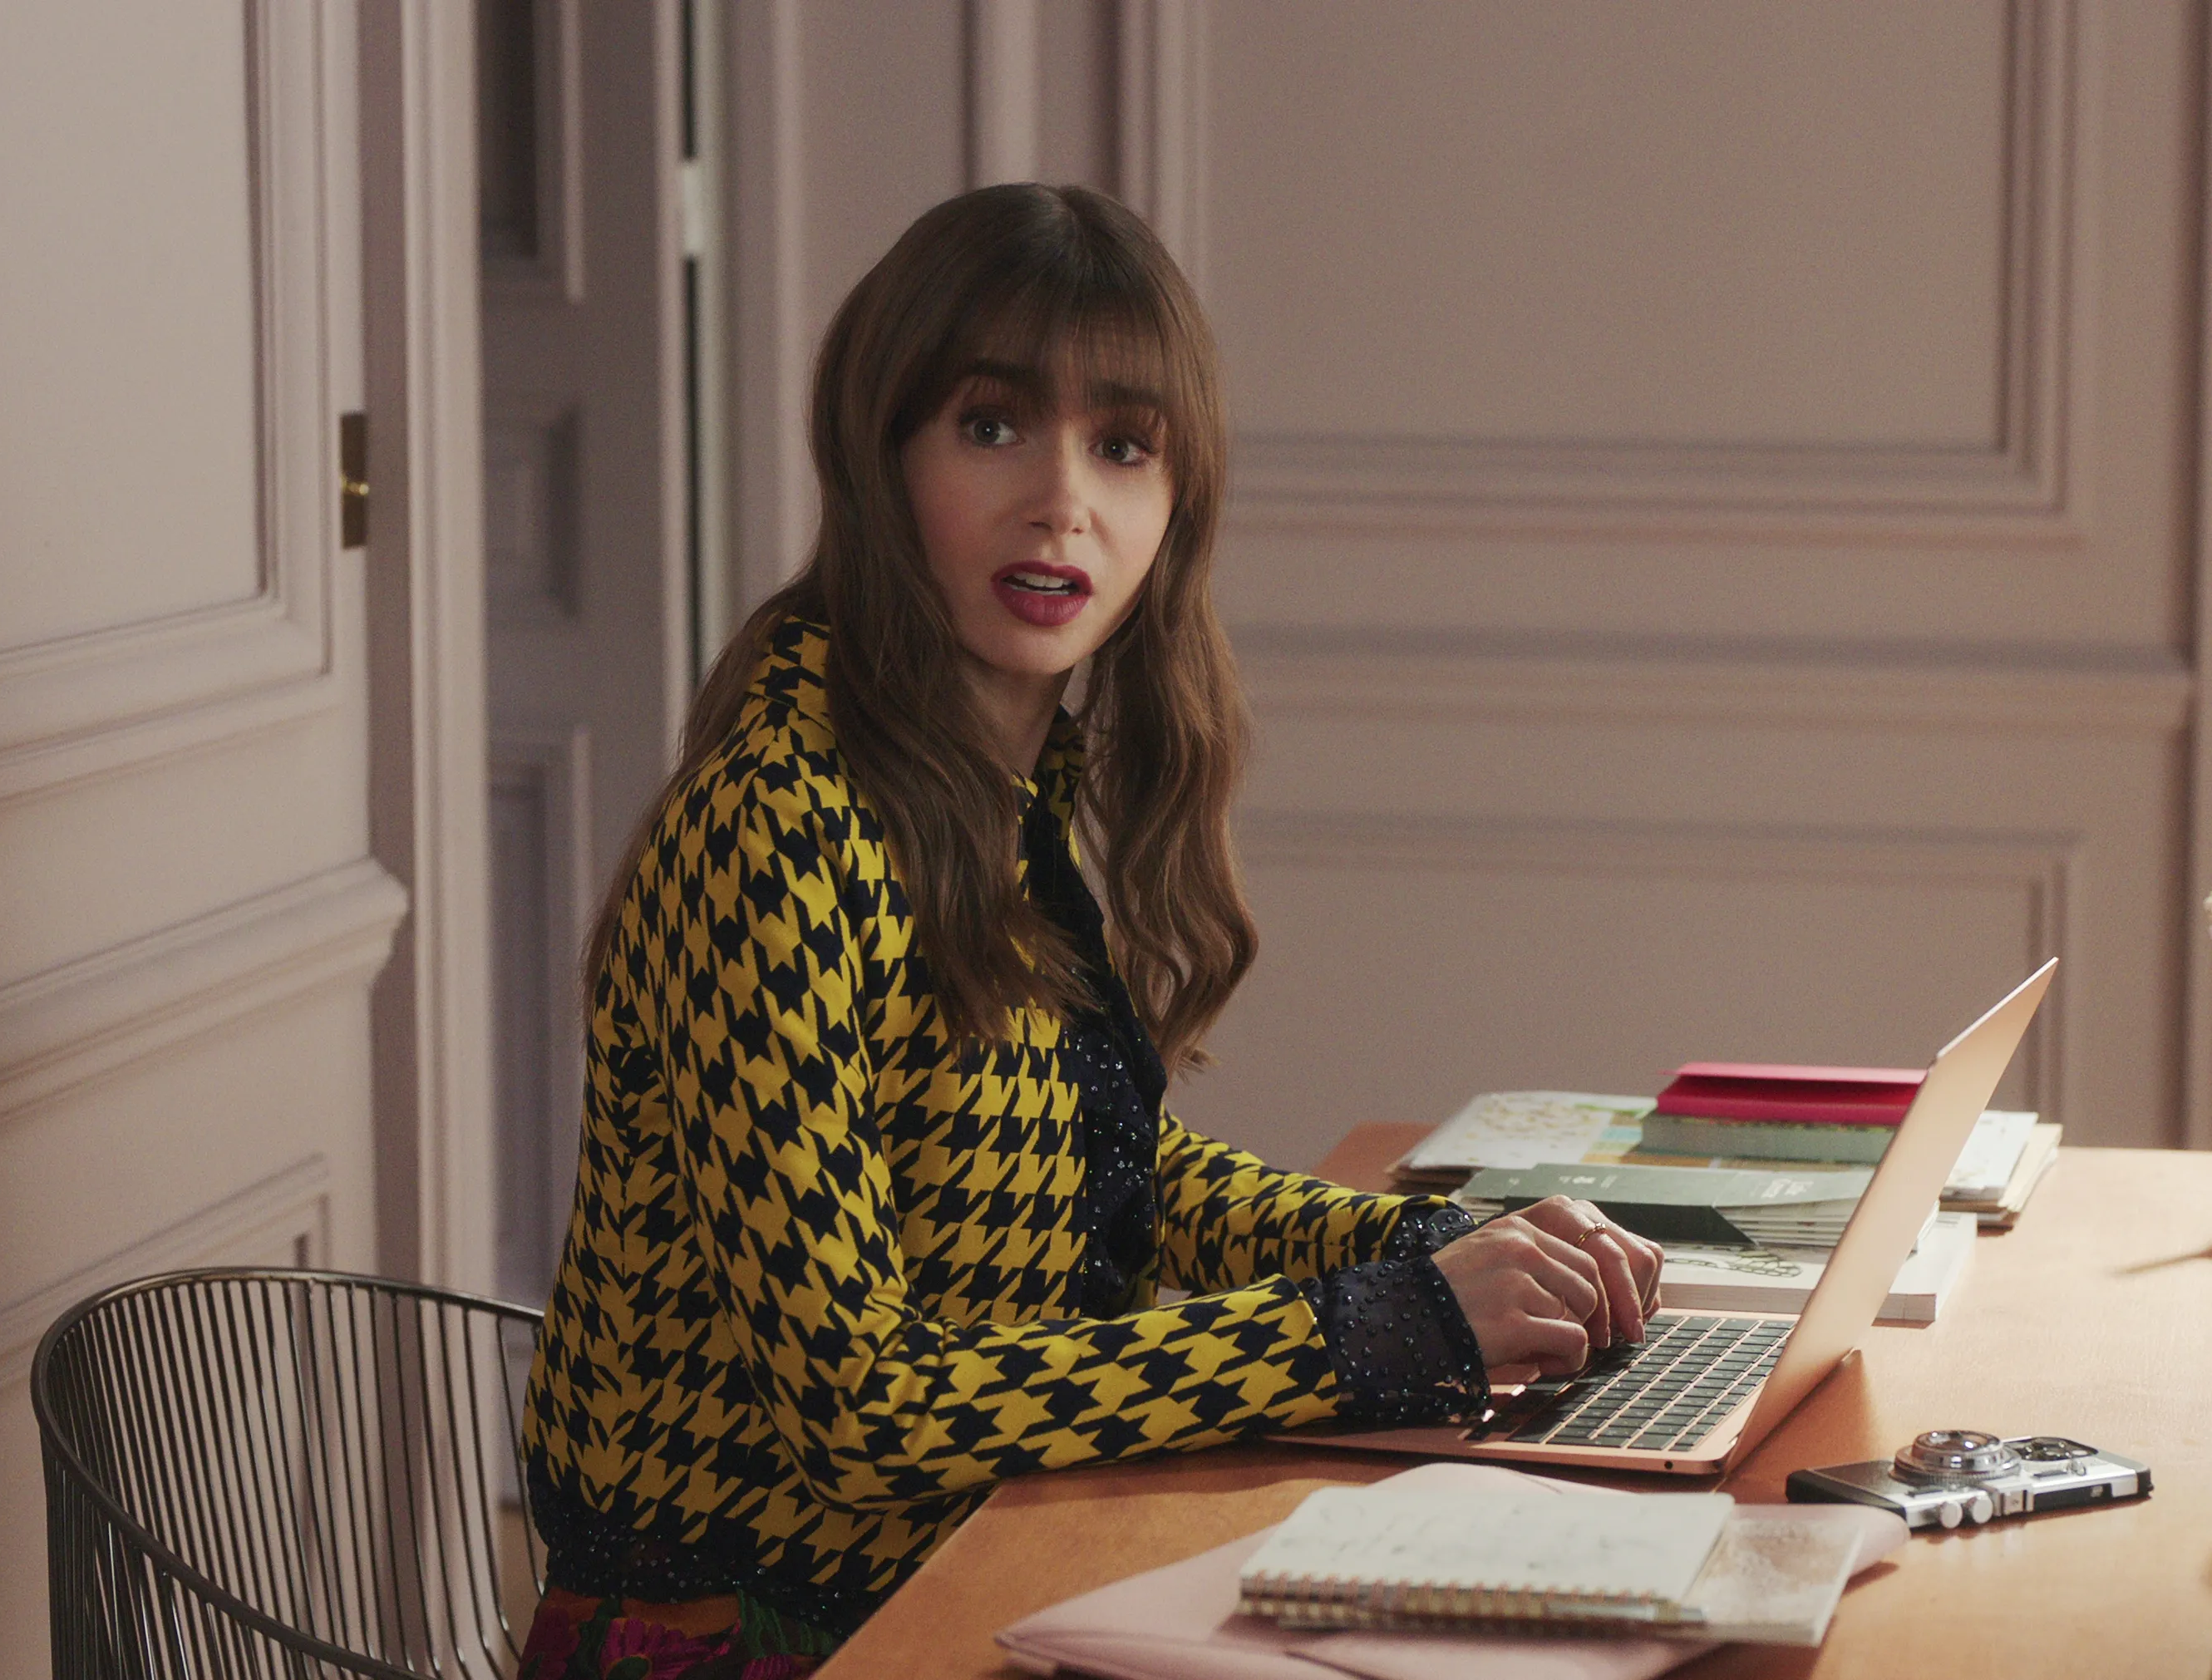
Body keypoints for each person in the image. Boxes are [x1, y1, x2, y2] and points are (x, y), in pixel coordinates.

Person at [515, 183, 1662, 1678]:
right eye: (991, 426)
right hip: (750, 1643)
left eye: (1123, 446)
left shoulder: (987, 794)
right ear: (879, 455)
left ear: (1177, 502)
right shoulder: (774, 829)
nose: (1061, 502)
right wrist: (1371, 1328)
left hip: (968, 1572)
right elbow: (864, 1413)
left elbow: (1111, 1177)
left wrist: (1435, 1252)